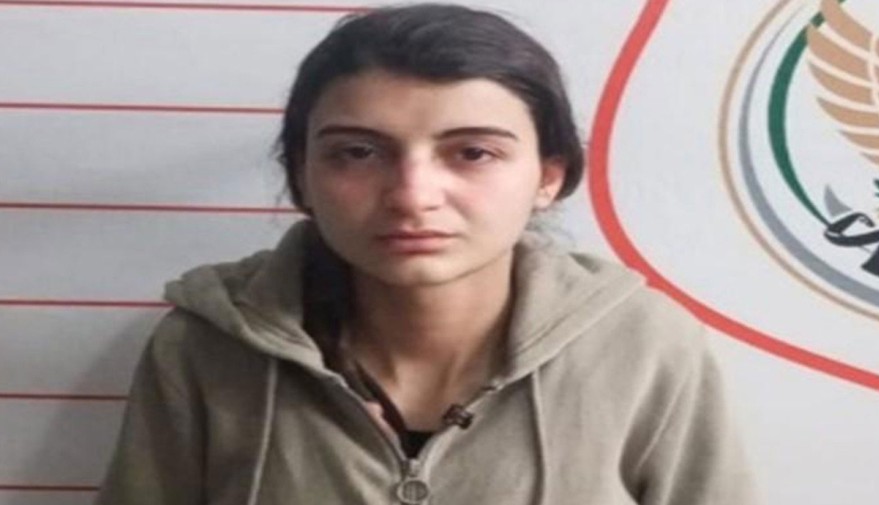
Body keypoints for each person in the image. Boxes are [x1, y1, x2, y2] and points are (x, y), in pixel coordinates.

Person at [96, 4, 756, 504]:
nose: (413, 196)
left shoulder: (642, 344)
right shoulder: (204, 346)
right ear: (302, 175)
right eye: (358, 152)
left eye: (473, 152)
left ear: (549, 175)